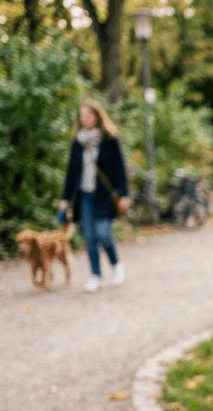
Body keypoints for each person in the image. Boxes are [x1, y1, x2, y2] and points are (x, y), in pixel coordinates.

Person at [58, 99, 130, 293]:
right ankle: (95, 276)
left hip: (104, 195)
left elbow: (120, 169)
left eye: (88, 114)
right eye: (81, 115)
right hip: (84, 197)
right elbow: (71, 173)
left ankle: (116, 265)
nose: (85, 118)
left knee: (103, 234)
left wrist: (124, 194)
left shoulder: (110, 139)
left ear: (97, 116)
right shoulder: (77, 142)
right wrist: (65, 200)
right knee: (89, 237)